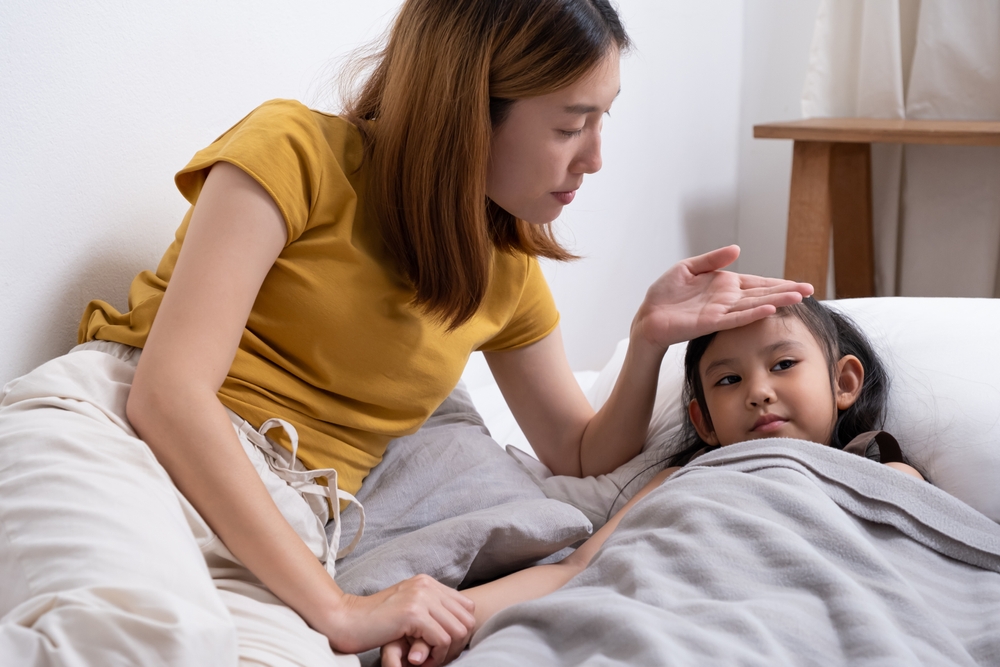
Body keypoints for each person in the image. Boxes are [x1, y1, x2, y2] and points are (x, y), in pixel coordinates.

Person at [0, 1, 812, 665]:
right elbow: (168, 396)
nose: (596, 157)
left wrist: (647, 339)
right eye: (571, 125)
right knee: (129, 639)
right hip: (120, 436)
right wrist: (340, 609)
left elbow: (576, 451)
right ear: (468, 110)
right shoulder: (294, 152)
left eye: (603, 120)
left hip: (282, 518)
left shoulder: (505, 271)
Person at [381, 297, 924, 667]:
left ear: (844, 382)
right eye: (729, 380)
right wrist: (448, 618)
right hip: (653, 613)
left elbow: (907, 586)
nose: (758, 391)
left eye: (783, 364)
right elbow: (578, 569)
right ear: (704, 420)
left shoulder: (881, 474)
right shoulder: (679, 479)